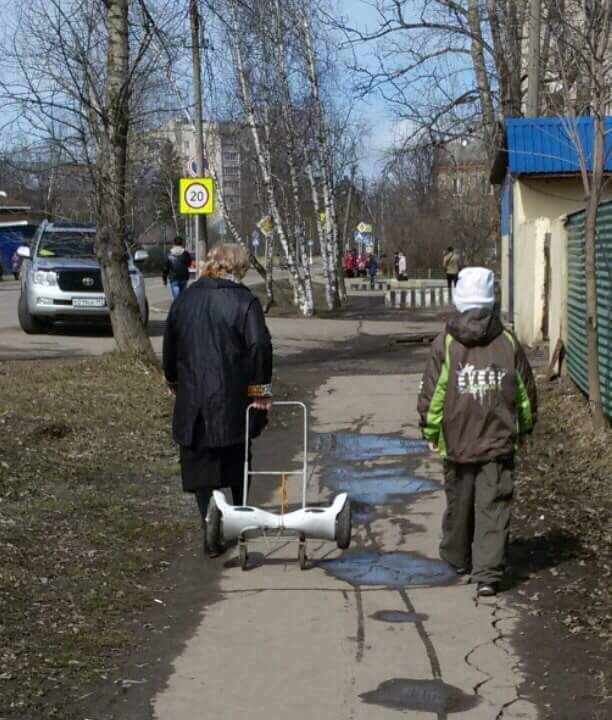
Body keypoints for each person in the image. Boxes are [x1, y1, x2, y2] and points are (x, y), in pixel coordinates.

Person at [417, 267, 537, 597]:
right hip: (498, 438)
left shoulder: (447, 343)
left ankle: (457, 558)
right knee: (493, 503)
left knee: (460, 498)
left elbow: (434, 392)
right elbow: (524, 393)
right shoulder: (507, 342)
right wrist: (524, 429)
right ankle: (487, 574)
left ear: (459, 300)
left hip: (457, 437)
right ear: (491, 300)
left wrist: (429, 427)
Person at [163, 243, 273, 557]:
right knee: (238, 460)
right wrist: (260, 393)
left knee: (199, 464)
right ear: (236, 269)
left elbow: (170, 345)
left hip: (193, 398)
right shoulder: (245, 301)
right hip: (234, 400)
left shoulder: (184, 300)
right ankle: (237, 517)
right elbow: (259, 349)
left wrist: (173, 380)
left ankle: (210, 520)